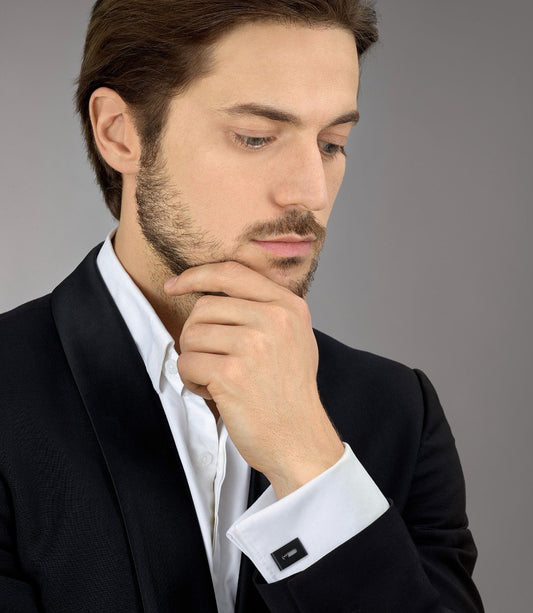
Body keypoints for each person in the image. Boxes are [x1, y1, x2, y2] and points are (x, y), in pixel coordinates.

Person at [0, 1, 485, 611]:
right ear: (119, 133)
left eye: (333, 143)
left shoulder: (399, 413)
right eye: (255, 137)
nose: (310, 191)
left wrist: (308, 460)